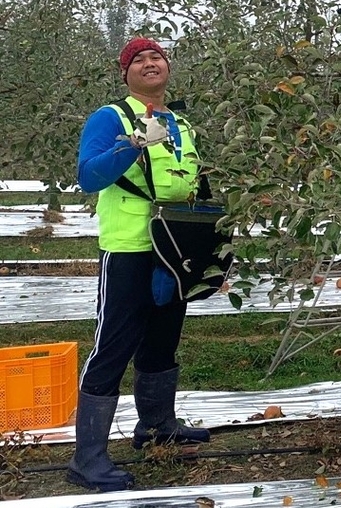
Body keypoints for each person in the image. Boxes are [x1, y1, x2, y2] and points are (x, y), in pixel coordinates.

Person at [70, 38, 210, 492]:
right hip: (129, 246)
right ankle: (87, 460)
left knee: (163, 337)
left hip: (173, 247)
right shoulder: (111, 117)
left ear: (168, 67)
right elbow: (89, 176)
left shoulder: (181, 122)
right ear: (125, 73)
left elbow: (192, 183)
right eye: (139, 59)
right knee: (114, 345)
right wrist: (133, 143)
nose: (151, 63)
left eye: (157, 56)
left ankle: (156, 427)